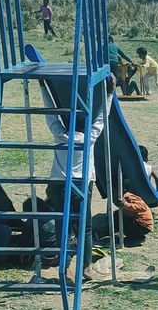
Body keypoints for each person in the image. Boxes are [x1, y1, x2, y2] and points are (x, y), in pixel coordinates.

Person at [41, 76, 114, 273]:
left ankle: (63, 265)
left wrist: (43, 86)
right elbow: (101, 117)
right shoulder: (89, 137)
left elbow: (51, 113)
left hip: (58, 183)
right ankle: (85, 267)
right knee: (85, 228)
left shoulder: (61, 135)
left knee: (61, 225)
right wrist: (109, 93)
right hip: (81, 185)